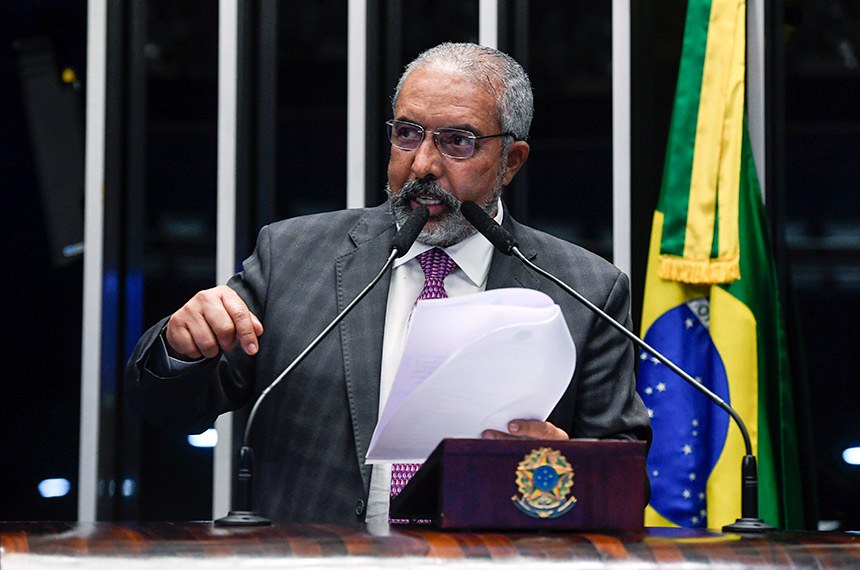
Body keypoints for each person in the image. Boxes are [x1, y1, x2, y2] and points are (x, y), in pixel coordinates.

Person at [125, 42, 650, 524]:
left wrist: (566, 470)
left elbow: (627, 483)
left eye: (457, 142)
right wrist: (179, 347)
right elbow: (169, 410)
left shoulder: (585, 290)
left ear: (510, 161)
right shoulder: (293, 256)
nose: (423, 164)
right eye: (408, 133)